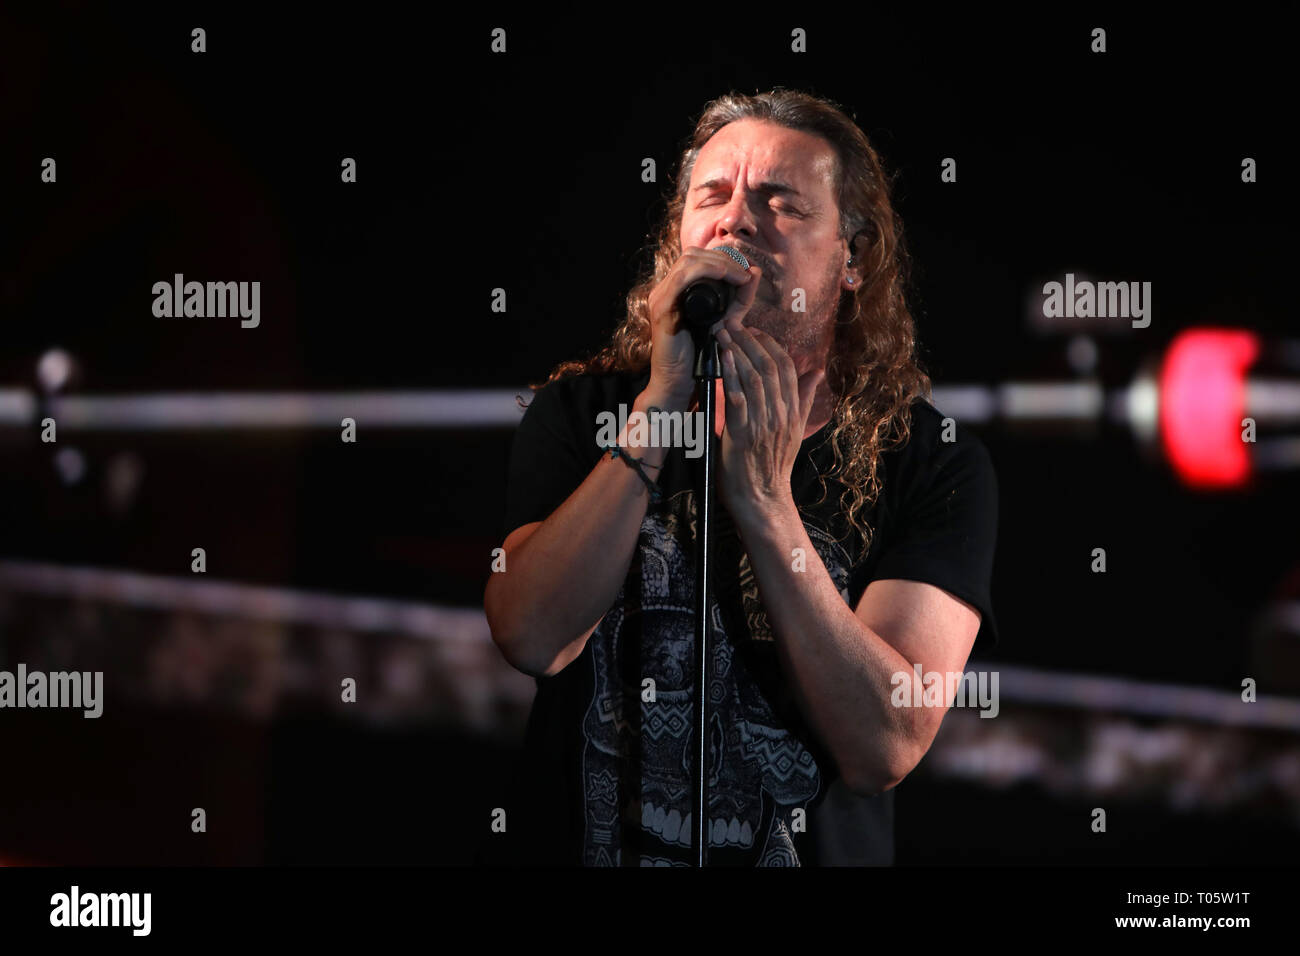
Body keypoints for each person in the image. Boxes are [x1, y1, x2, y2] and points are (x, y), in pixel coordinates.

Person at [482, 89, 998, 866]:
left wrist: (764, 501)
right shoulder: (580, 412)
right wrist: (660, 408)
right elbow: (530, 635)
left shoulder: (932, 459)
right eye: (712, 197)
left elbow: (885, 744)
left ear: (853, 257)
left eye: (780, 202)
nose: (734, 221)